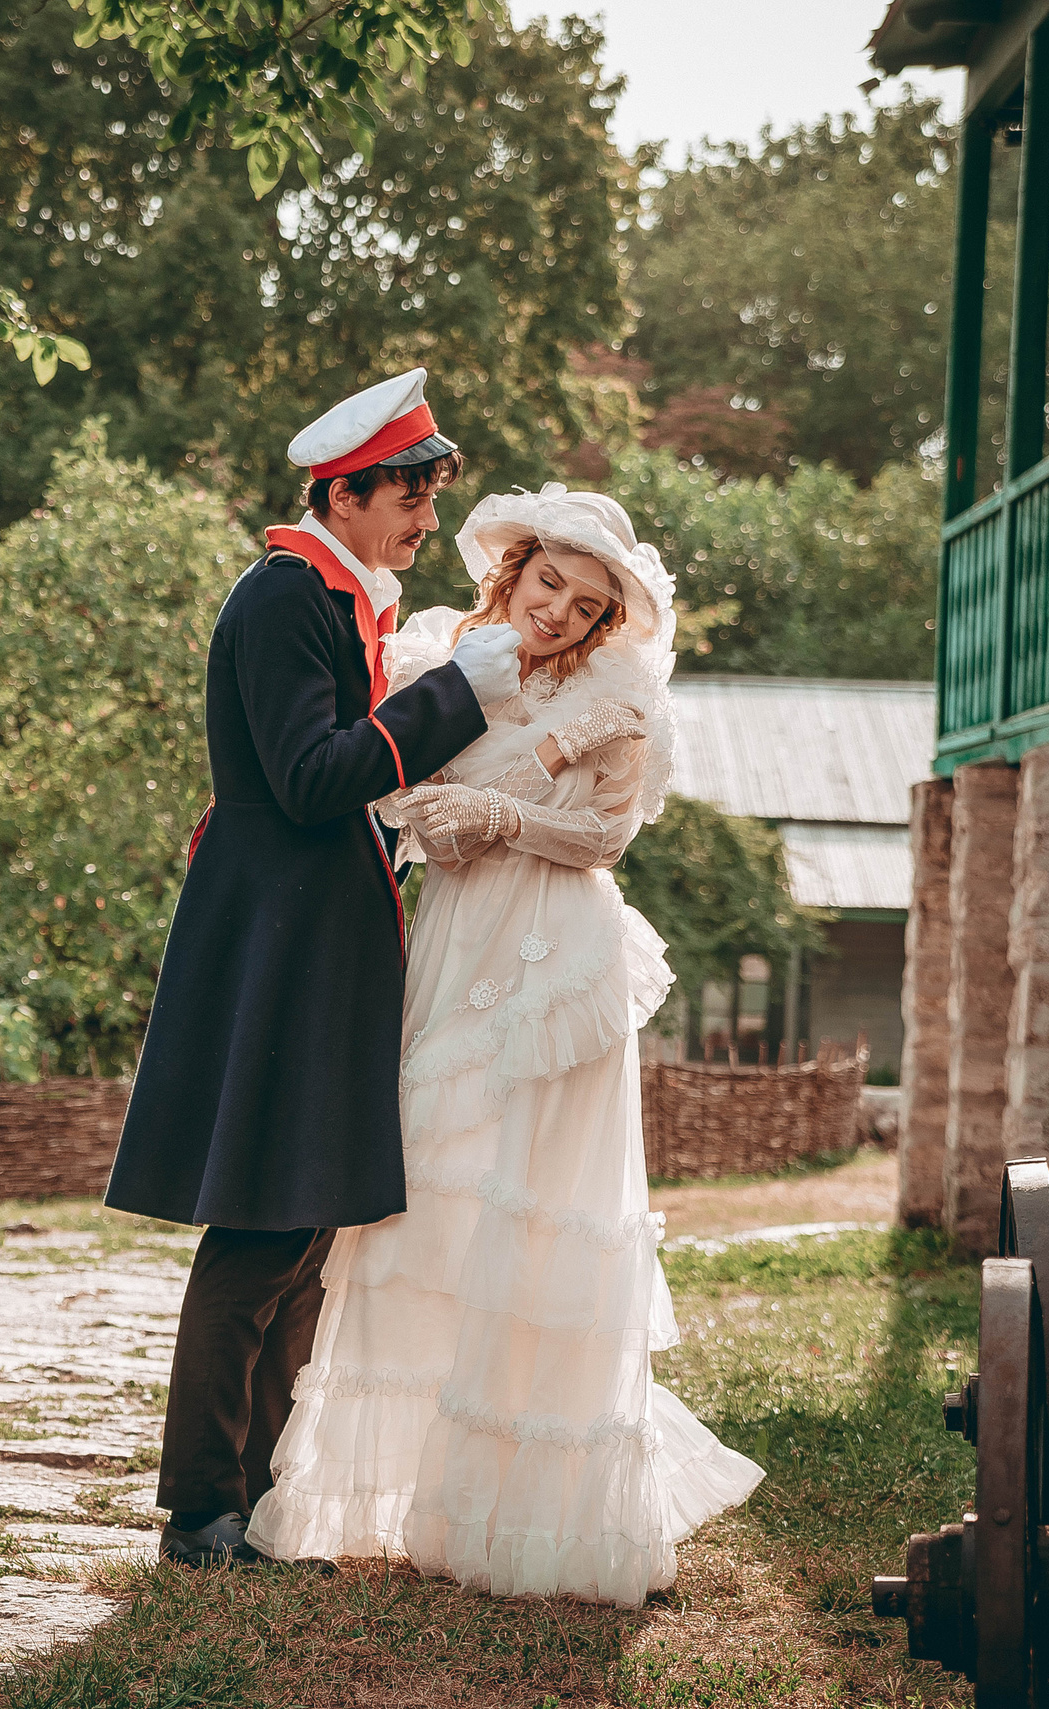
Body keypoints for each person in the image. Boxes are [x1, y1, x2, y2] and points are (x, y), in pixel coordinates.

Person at [245, 484, 763, 1607]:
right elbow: (384, 777)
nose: (559, 614)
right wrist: (429, 810)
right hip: (448, 939)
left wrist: (508, 819)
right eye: (547, 585)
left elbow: (609, 832)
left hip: (552, 949)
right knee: (429, 1195)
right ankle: (408, 1491)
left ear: (601, 624)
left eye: (584, 606)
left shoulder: (622, 700)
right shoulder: (442, 652)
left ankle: (527, 1509)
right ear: (512, 570)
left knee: (532, 1200)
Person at [105, 369, 528, 1570]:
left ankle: (261, 1501)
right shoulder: (288, 595)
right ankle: (199, 1511)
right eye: (408, 495)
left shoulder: (336, 597)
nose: (424, 520)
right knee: (261, 1224)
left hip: (309, 930)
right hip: (277, 937)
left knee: (300, 1234)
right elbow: (304, 777)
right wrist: (457, 695)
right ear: (343, 492)